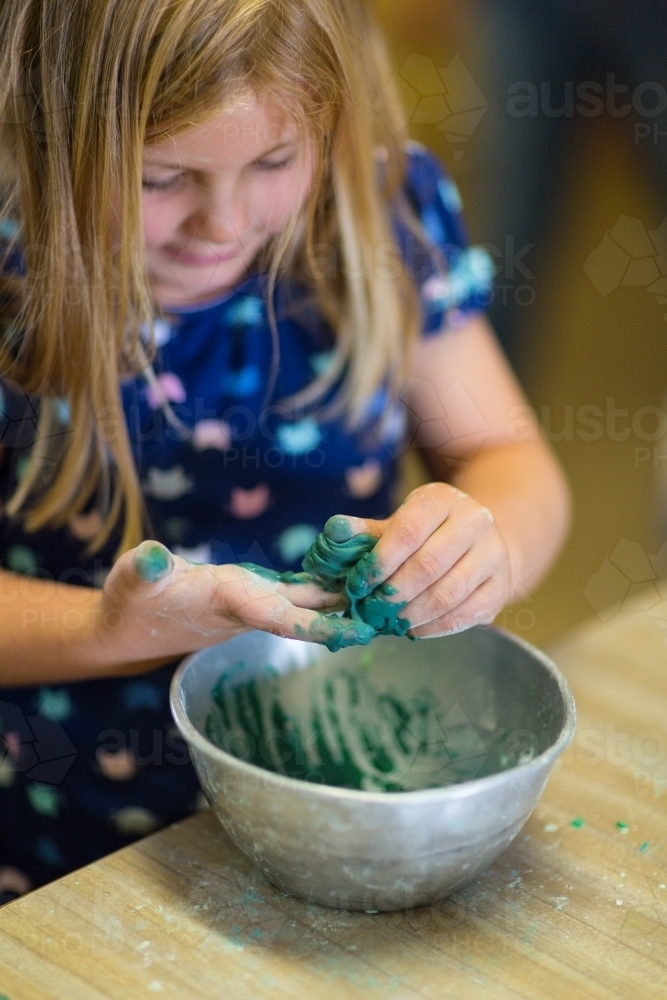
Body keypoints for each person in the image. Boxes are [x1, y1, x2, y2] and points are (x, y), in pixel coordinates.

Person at [0, 0, 570, 903]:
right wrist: (108, 633)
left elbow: (505, 453)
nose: (223, 224)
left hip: (344, 805)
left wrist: (483, 543)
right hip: (71, 838)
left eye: (274, 161)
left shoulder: (377, 216)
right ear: (41, 128)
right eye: (160, 178)